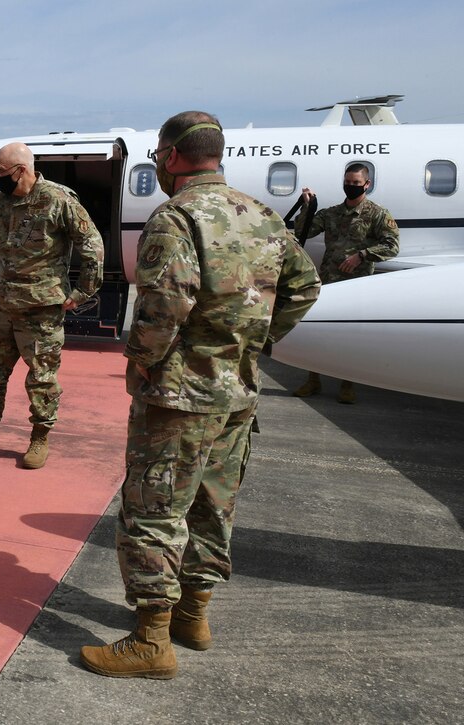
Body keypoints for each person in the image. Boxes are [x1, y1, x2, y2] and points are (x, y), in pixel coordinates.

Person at [79, 112, 321, 680]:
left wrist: (140, 362)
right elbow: (304, 285)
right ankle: (193, 616)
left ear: (168, 156)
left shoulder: (177, 216)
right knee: (214, 506)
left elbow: (164, 306)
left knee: (154, 511)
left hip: (180, 398)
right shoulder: (259, 214)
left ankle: (151, 641)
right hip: (237, 395)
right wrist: (250, 340)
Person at [0, 142, 102, 469]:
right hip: (2, 305)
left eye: (1, 173)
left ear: (22, 170)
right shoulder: (0, 203)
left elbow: (92, 248)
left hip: (41, 309)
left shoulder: (59, 200)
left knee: (42, 378)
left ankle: (39, 437)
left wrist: (81, 293)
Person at [291, 163, 399, 403]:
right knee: (317, 331)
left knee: (352, 337)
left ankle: (347, 384)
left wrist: (362, 255)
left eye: (356, 184)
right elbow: (304, 232)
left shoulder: (377, 214)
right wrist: (307, 207)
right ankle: (313, 379)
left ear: (367, 185)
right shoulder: (331, 213)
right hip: (329, 280)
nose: (350, 187)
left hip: (357, 286)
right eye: (347, 183)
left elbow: (392, 246)